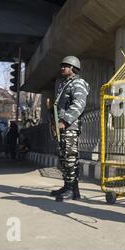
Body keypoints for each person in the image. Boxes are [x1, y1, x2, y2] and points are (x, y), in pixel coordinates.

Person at [49, 56, 89, 202]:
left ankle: (72, 189)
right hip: (61, 126)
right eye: (62, 65)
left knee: (70, 157)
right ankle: (68, 187)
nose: (62, 68)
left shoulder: (78, 83)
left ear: (73, 68)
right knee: (64, 158)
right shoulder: (64, 84)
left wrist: (64, 121)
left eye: (65, 66)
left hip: (70, 126)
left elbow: (79, 104)